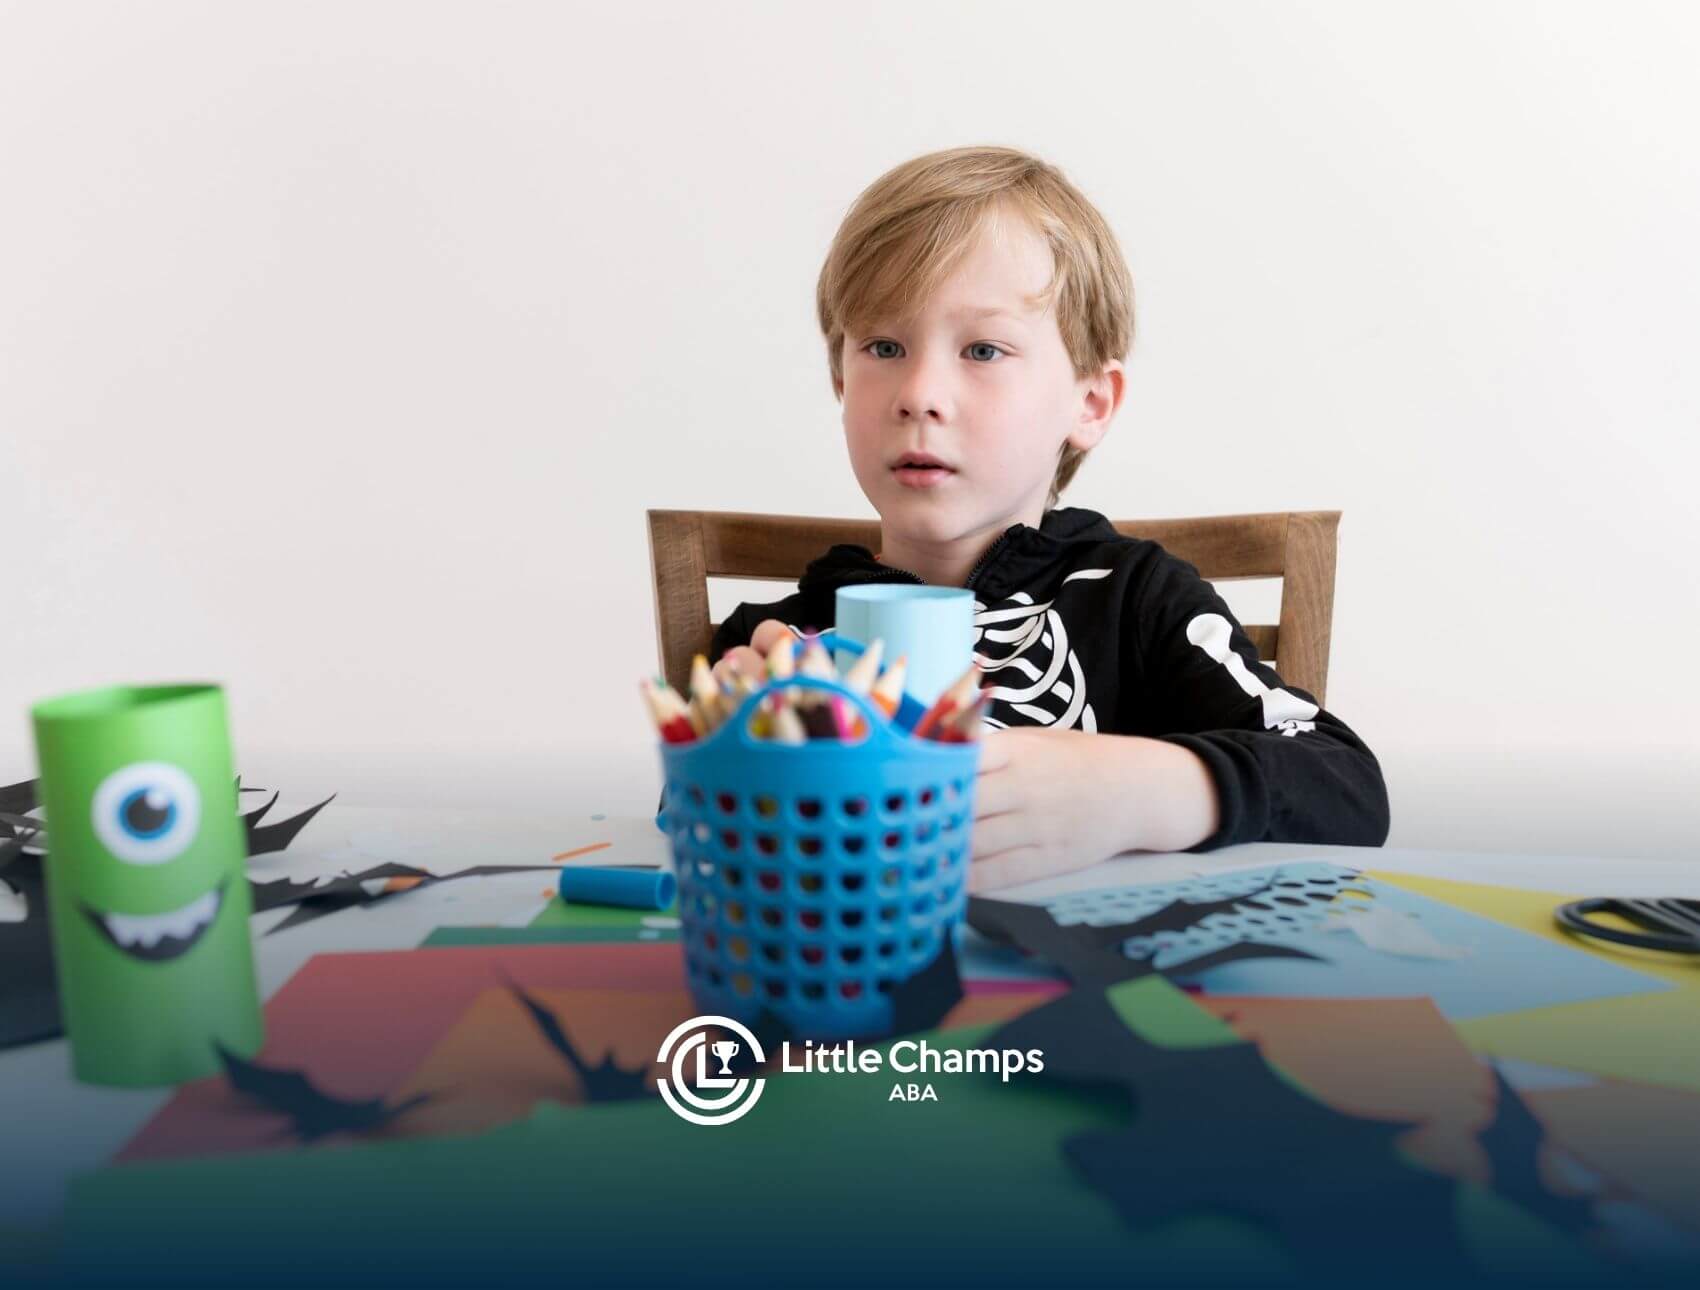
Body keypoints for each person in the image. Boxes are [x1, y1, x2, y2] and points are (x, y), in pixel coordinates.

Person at [710, 145, 1389, 893]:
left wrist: (1135, 793)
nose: (921, 393)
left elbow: (1347, 787)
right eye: (883, 346)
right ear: (841, 377)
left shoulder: (1139, 598)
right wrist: (743, 755)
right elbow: (700, 835)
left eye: (984, 349)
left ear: (1088, 403)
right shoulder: (778, 640)